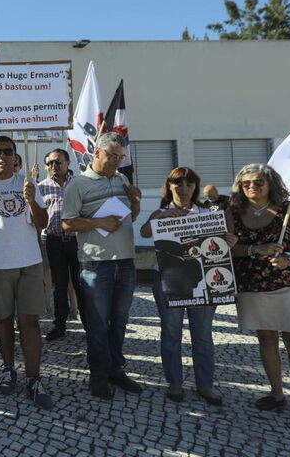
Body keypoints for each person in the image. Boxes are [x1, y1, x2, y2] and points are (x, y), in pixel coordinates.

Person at [229, 164, 290, 426]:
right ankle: (277, 393)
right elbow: (228, 249)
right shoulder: (233, 212)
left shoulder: (287, 210)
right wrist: (256, 249)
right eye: (246, 183)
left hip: (289, 286)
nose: (252, 186)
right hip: (252, 288)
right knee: (266, 339)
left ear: (270, 183)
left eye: (259, 182)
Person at [0, 136, 53, 409]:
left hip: (29, 262)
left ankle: (34, 378)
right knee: (2, 320)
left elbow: (42, 222)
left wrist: (32, 201)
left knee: (30, 322)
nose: (3, 156)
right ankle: (8, 369)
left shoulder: (28, 184)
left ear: (16, 156)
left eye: (8, 152)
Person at [140, 167, 232, 405]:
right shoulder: (161, 212)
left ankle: (205, 385)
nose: (183, 188)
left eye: (189, 184)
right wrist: (157, 218)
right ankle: (175, 383)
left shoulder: (207, 213)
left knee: (202, 336)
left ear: (195, 188)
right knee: (171, 334)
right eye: (177, 183)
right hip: (167, 279)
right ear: (169, 186)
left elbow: (223, 241)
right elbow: (145, 231)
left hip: (202, 281)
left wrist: (231, 240)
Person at [62, 132, 143, 399]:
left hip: (126, 261)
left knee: (119, 321)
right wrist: (99, 223)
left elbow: (130, 217)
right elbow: (67, 223)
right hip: (96, 264)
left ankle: (116, 370)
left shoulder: (123, 179)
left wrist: (136, 202)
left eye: (120, 158)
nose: (116, 162)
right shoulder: (78, 185)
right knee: (97, 324)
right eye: (112, 156)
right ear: (97, 153)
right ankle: (98, 375)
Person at [37, 148, 85, 341]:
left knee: (81, 284)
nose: (53, 166)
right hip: (54, 241)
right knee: (59, 284)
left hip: (77, 241)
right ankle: (59, 325)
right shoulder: (42, 187)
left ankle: (90, 323)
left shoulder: (80, 184)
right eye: (50, 163)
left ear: (68, 163)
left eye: (58, 162)